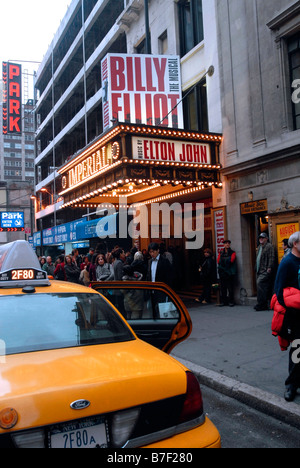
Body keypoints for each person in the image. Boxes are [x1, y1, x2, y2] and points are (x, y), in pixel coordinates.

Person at [272, 231, 300, 402]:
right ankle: (291, 385)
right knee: (297, 349)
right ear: (295, 244)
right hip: (295, 314)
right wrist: (289, 310)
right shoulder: (287, 261)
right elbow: (278, 289)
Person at [255, 233, 276, 311]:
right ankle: (261, 303)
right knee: (261, 287)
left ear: (266, 238)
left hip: (265, 270)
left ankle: (262, 304)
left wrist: (269, 267)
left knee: (260, 283)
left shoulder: (269, 246)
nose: (261, 239)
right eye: (260, 238)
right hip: (259, 270)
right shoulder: (260, 247)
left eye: (263, 238)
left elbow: (271, 257)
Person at [217, 240, 237, 307]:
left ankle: (231, 301)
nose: (227, 244)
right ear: (224, 245)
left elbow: (231, 260)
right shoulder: (221, 252)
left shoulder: (232, 252)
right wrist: (225, 261)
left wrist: (224, 261)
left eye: (228, 243)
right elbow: (218, 261)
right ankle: (224, 301)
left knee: (230, 288)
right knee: (223, 288)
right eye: (226, 243)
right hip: (223, 273)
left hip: (229, 273)